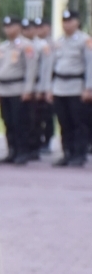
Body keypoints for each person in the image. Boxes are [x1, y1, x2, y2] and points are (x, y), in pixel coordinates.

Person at [44, 9, 92, 167]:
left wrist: (88, 88)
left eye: (70, 21)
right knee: (64, 122)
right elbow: (52, 66)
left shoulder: (85, 40)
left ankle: (79, 154)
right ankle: (67, 152)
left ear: (77, 22)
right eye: (64, 21)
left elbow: (89, 65)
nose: (67, 24)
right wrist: (50, 88)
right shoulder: (59, 41)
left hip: (76, 86)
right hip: (60, 86)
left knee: (79, 123)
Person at [0, 16, 38, 164]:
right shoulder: (2, 47)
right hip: (4, 89)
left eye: (11, 26)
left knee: (20, 123)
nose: (8, 29)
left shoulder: (26, 45)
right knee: (8, 122)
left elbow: (31, 69)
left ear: (18, 27)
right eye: (6, 26)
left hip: (18, 89)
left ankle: (23, 151)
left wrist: (28, 89)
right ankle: (12, 150)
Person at [31, 17, 55, 156]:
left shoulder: (54, 44)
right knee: (35, 117)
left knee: (47, 116)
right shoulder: (32, 44)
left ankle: (47, 140)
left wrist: (45, 88)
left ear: (48, 28)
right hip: (34, 84)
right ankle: (37, 141)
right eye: (37, 27)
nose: (39, 30)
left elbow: (48, 69)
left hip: (48, 84)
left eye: (42, 27)